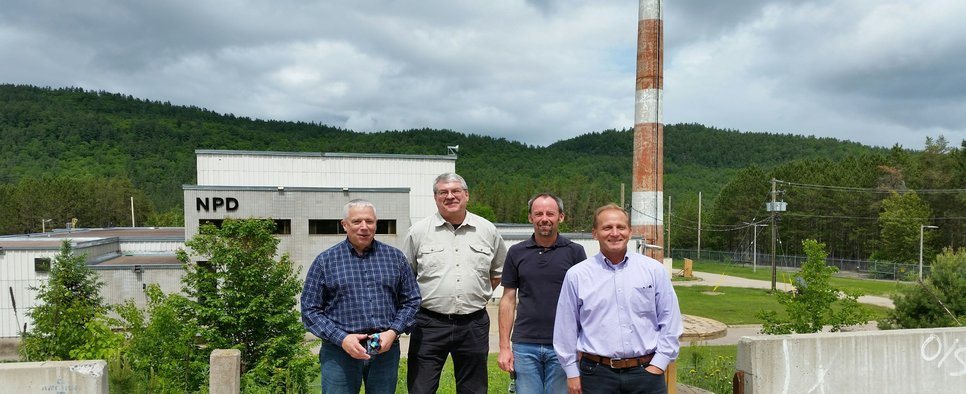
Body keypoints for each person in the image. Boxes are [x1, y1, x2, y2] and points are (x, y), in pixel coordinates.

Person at [553, 204, 683, 394]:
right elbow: (565, 329)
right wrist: (572, 373)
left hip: (646, 373)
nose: (615, 233)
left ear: (630, 232)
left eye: (620, 227)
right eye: (607, 228)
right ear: (595, 233)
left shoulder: (654, 271)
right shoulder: (577, 275)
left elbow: (671, 321)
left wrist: (658, 365)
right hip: (596, 376)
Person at [301, 199, 421, 394]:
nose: (364, 227)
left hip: (384, 350)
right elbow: (310, 311)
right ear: (345, 225)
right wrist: (342, 339)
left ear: (376, 223)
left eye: (369, 221)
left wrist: (393, 332)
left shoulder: (395, 258)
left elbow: (412, 300)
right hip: (340, 352)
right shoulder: (325, 261)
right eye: (357, 222)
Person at [403, 172, 508, 394]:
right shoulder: (418, 232)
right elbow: (406, 278)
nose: (450, 196)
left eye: (455, 191)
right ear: (435, 197)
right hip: (429, 323)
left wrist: (479, 294)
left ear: (466, 195)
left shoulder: (487, 230)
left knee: (474, 389)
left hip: (473, 323)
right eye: (443, 192)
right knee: (420, 388)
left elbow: (498, 271)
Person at [498, 193, 587, 394]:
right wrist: (504, 347)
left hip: (564, 347)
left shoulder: (575, 252)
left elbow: (585, 302)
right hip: (525, 345)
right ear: (530, 217)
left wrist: (583, 344)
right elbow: (508, 300)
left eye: (550, 213)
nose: (544, 218)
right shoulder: (516, 252)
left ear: (561, 217)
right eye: (538, 213)